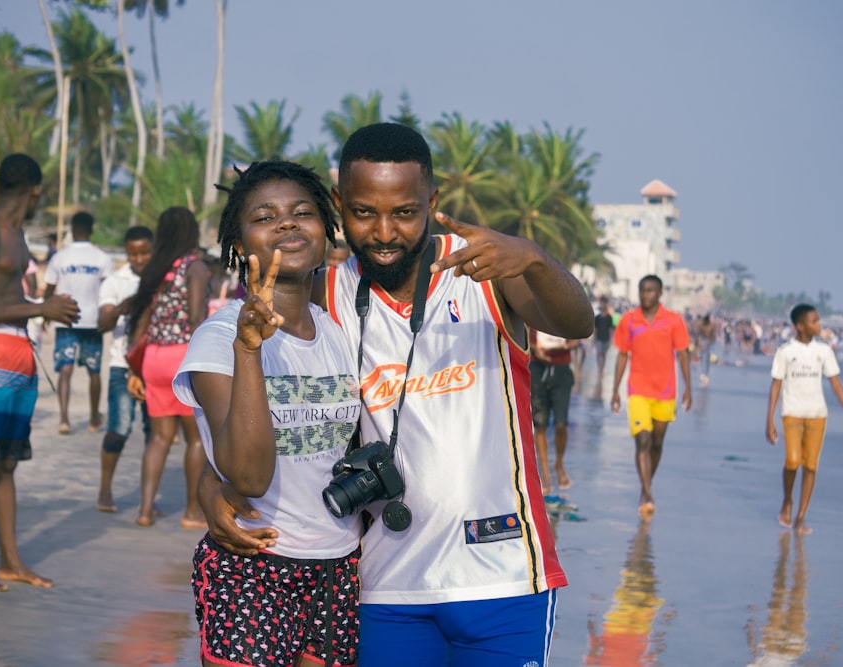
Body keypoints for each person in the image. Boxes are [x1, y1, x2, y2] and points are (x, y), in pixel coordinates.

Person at [200, 123, 594, 667]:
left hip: (505, 578)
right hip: (386, 586)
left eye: (406, 213)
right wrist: (207, 478)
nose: (385, 232)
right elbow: (287, 412)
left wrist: (533, 259)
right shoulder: (327, 296)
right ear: (340, 204)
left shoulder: (484, 269)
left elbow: (577, 322)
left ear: (430, 202)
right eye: (364, 213)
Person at [174, 160, 364, 667]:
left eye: (303, 212)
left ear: (327, 233)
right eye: (265, 215)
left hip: (337, 569)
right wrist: (249, 349)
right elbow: (249, 476)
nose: (286, 223)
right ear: (239, 246)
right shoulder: (218, 340)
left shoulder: (341, 334)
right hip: (253, 563)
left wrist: (205, 488)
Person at [0, 153, 80, 591]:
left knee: (4, 462)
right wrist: (40, 307)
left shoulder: (18, 235)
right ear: (36, 189)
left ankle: (10, 561)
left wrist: (42, 309)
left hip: (19, 351)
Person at [127, 207, 209, 528]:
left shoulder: (156, 268)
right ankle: (192, 512)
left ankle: (145, 510)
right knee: (196, 439)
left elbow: (143, 320)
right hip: (182, 356)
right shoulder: (195, 267)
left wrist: (134, 369)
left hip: (154, 357)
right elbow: (195, 318)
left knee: (158, 439)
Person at [766, 303, 843, 534]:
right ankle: (787, 500)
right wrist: (770, 419)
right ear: (800, 326)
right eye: (814, 321)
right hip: (792, 413)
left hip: (817, 415)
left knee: (811, 466)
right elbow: (776, 384)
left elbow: (835, 381)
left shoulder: (823, 351)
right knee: (793, 460)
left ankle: (801, 517)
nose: (819, 325)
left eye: (818, 320)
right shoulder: (786, 351)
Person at [610, 274, 691, 520]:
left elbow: (683, 353)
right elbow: (622, 354)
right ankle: (646, 493)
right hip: (638, 391)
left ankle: (646, 487)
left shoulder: (673, 321)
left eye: (651, 291)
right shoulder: (629, 321)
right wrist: (615, 389)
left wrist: (689, 387)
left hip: (665, 393)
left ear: (660, 293)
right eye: (643, 290)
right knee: (642, 441)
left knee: (656, 445)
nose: (646, 295)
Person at [95, 225, 154, 513]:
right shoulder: (115, 282)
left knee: (154, 434)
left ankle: (147, 500)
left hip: (153, 367)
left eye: (145, 252)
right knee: (118, 430)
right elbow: (102, 322)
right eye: (134, 254)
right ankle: (105, 490)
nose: (140, 259)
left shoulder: (162, 279)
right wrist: (123, 307)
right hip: (122, 366)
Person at [43, 210, 112, 434]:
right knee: (94, 371)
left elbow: (50, 289)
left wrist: (45, 314)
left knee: (65, 369)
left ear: (71, 230)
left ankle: (64, 419)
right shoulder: (102, 258)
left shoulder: (60, 257)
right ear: (91, 230)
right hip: (93, 321)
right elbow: (109, 291)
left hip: (65, 319)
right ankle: (93, 419)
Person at [530, 328, 578, 494]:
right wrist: (535, 349)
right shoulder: (532, 307)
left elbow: (576, 338)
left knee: (561, 424)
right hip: (537, 368)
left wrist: (565, 347)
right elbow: (521, 337)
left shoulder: (565, 307)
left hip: (561, 370)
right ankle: (545, 475)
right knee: (540, 424)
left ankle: (559, 464)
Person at [592, 295, 615, 401]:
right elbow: (595, 329)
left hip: (605, 338)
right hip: (599, 338)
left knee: (603, 354)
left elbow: (611, 329)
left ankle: (601, 369)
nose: (603, 305)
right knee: (599, 354)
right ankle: (600, 369)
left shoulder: (609, 317)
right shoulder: (597, 317)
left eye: (604, 303)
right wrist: (593, 339)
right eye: (602, 303)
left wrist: (611, 339)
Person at [694, 314, 716, 386]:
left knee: (707, 358)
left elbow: (713, 336)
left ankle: (705, 374)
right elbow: (697, 334)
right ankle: (703, 374)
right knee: (703, 358)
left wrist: (707, 344)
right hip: (702, 340)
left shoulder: (712, 326)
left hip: (709, 342)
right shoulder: (701, 325)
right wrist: (698, 345)